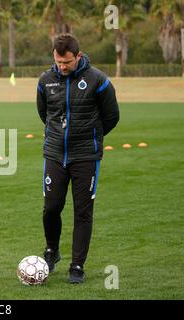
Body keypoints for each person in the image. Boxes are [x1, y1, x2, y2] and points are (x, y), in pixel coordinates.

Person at [36, 34, 119, 283]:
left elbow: (112, 116)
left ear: (78, 56)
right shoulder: (45, 80)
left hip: (85, 156)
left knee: (83, 212)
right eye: (58, 62)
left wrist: (89, 137)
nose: (62, 67)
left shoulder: (98, 80)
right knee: (51, 207)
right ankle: (52, 251)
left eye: (67, 62)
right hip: (54, 153)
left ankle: (77, 266)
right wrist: (58, 136)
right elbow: (45, 113)